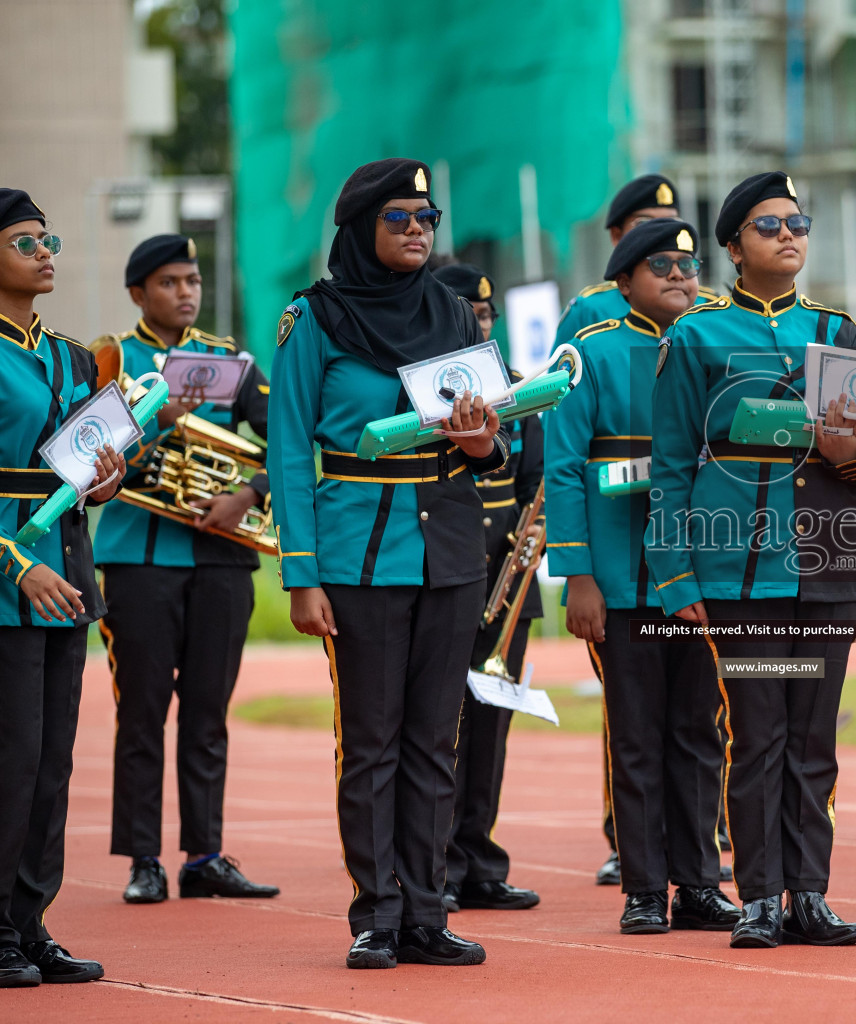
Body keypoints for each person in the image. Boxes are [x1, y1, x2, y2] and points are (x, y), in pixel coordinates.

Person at [269, 159, 507, 970]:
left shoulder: (451, 310)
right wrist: (300, 573)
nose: (417, 230)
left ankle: (427, 915)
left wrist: (482, 440)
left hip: (449, 551)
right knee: (371, 742)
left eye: (428, 217)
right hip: (356, 553)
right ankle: (377, 913)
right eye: (399, 216)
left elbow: (488, 439)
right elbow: (290, 450)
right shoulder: (316, 318)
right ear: (361, 226)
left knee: (435, 742)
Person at [646, 171, 856, 949]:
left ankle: (808, 895)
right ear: (733, 247)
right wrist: (675, 571)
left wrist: (852, 451)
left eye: (798, 222)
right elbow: (674, 463)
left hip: (831, 567)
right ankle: (756, 899)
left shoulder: (843, 332)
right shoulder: (695, 336)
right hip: (740, 572)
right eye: (770, 225)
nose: (790, 235)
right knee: (757, 734)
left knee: (815, 738)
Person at [546, 218, 737, 935]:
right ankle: (642, 889)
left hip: (700, 575)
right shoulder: (591, 352)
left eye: (689, 265)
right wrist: (578, 576)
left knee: (699, 732)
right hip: (623, 579)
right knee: (636, 738)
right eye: (662, 266)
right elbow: (563, 467)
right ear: (623, 280)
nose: (682, 276)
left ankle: (698, 883)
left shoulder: (717, 342)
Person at [93, 234, 280, 905]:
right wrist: (150, 420)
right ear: (139, 293)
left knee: (208, 712)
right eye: (169, 282)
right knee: (141, 713)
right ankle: (144, 858)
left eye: (192, 280)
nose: (186, 292)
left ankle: (205, 855)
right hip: (140, 557)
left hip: (222, 556)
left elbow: (283, 436)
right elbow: (83, 450)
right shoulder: (112, 360)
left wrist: (248, 495)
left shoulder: (228, 359)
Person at [0, 188, 124, 986]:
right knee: (9, 759)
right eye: (24, 242)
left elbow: (82, 469)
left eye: (49, 239)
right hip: (10, 576)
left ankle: (28, 923)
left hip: (67, 577)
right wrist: (17, 565)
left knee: (51, 762)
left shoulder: (75, 356)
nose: (46, 252)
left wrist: (107, 480)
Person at [430, 263, 542, 914]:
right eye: (468, 311)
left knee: (491, 726)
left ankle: (479, 861)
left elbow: (536, 483)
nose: (481, 321)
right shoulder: (420, 393)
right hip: (447, 574)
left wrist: (531, 545)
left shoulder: (521, 392)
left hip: (507, 580)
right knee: (442, 727)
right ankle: (435, 864)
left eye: (487, 312)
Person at [554, 174, 684, 350]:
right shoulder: (588, 311)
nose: (660, 234)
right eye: (644, 224)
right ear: (616, 235)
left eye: (670, 223)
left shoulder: (705, 306)